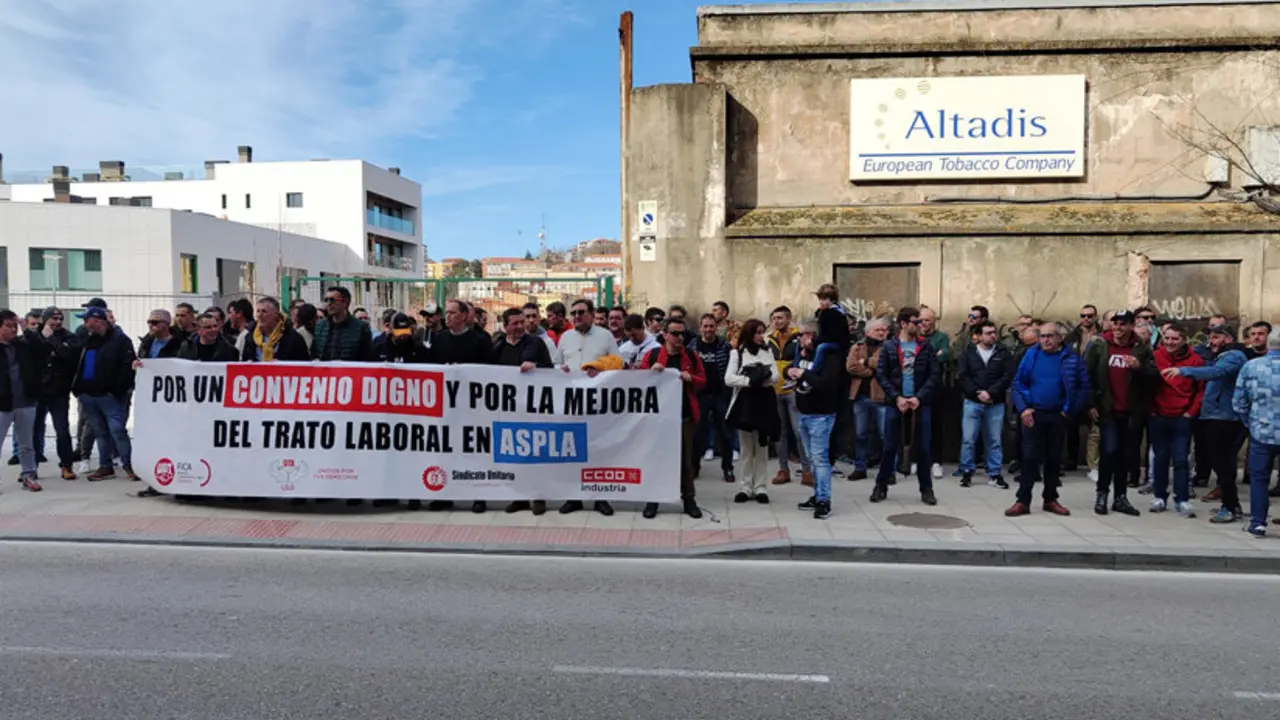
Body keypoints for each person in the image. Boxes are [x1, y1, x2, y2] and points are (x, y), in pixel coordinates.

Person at [1167, 322, 1248, 523]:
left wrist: (1183, 370)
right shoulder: (1221, 356)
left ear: (1228, 338)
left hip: (1225, 418)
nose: (1211, 341)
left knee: (1223, 465)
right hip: (1214, 416)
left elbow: (1215, 373)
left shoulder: (1235, 356)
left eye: (1216, 337)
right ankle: (1232, 504)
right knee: (1222, 465)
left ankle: (1230, 507)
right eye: (1210, 337)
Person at [1006, 322, 1088, 517]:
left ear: (1060, 338)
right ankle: (1022, 500)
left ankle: (1050, 499)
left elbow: (1082, 387)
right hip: (1033, 413)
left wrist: (1068, 411)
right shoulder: (1031, 355)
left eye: (1050, 336)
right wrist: (1024, 409)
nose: (1046, 340)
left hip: (1058, 414)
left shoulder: (1071, 358)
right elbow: (1018, 383)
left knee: (1053, 458)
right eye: (1042, 336)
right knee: (1029, 457)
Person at [555, 298, 621, 516]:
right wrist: (560, 369)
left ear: (592, 314)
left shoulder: (605, 336)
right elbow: (556, 363)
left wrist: (600, 369)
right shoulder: (566, 337)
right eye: (573, 312)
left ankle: (600, 497)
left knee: (598, 450)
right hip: (571, 402)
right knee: (572, 449)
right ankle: (573, 497)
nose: (576, 316)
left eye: (581, 312)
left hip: (597, 403)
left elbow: (617, 363)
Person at [1084, 310, 1153, 517]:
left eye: (1123, 324)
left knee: (1126, 454)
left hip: (1132, 410)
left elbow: (1153, 377)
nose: (1118, 328)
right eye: (1115, 323)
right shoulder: (1099, 345)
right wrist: (1090, 404)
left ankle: (1120, 497)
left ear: (1132, 325)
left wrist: (1139, 368)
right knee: (1109, 451)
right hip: (1107, 409)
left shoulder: (1141, 349)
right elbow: (1087, 375)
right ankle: (1102, 493)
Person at [638, 316, 705, 520]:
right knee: (656, 458)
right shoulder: (653, 355)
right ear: (665, 334)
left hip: (684, 417)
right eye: (675, 333)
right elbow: (638, 381)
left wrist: (690, 379)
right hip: (658, 419)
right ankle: (653, 499)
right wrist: (651, 372)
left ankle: (689, 499)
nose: (679, 337)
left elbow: (703, 381)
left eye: (682, 333)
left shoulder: (691, 356)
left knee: (686, 461)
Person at [871, 307, 940, 506]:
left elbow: (934, 374)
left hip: (920, 403)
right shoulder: (889, 347)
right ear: (903, 324)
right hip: (896, 403)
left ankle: (926, 489)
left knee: (924, 447)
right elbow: (882, 374)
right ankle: (881, 485)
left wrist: (919, 397)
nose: (919, 325)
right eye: (915, 322)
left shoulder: (925, 346)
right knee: (889, 446)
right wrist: (897, 397)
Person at [496, 307, 556, 516]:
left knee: (536, 452)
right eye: (515, 323)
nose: (521, 326)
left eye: (522, 322)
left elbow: (550, 370)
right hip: (509, 409)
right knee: (514, 454)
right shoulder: (498, 345)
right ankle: (519, 497)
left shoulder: (536, 343)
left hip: (533, 409)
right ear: (505, 327)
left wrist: (535, 366)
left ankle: (538, 497)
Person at [72, 306, 139, 482]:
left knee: (117, 430)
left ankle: (129, 465)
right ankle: (105, 466)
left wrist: (116, 390)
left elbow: (127, 367)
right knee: (100, 431)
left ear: (99, 321)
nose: (85, 324)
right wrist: (78, 389)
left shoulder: (120, 340)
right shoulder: (87, 340)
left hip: (110, 396)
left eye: (88, 321)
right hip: (88, 395)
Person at [1147, 323, 1204, 517]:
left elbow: (1200, 390)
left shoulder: (1195, 361)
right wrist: (1152, 410)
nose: (1170, 342)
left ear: (1184, 340)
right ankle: (1160, 496)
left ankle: (1182, 499)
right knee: (1160, 458)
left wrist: (1191, 412)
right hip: (1159, 415)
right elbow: (1147, 385)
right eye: (1167, 338)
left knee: (1181, 459)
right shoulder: (1155, 357)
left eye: (1175, 339)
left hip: (1182, 417)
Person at [789, 320, 842, 518]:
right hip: (803, 411)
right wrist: (792, 372)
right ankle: (817, 494)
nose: (798, 338)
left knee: (820, 459)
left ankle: (823, 499)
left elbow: (826, 383)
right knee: (812, 458)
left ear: (811, 335)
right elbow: (790, 367)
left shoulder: (829, 355)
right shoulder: (804, 354)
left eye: (801, 335)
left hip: (821, 414)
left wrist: (804, 374)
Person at [1232, 326, 1280, 537]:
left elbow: (1239, 402)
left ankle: (1258, 522)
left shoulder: (1251, 367)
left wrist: (1249, 422)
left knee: (1259, 478)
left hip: (1262, 430)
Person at [725, 319, 780, 503]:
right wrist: (750, 380)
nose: (760, 336)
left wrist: (763, 377)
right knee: (747, 448)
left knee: (762, 447)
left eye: (761, 332)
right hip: (746, 403)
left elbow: (776, 377)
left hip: (764, 402)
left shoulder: (768, 352)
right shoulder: (737, 353)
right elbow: (729, 379)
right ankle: (745, 486)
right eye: (756, 332)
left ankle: (761, 486)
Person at [955, 321, 1013, 489]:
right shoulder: (968, 353)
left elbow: (1007, 375)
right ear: (978, 336)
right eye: (988, 333)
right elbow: (962, 376)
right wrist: (977, 393)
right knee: (968, 439)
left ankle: (994, 473)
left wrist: (991, 393)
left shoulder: (1003, 352)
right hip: (972, 402)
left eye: (994, 332)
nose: (992, 335)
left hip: (995, 403)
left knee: (994, 440)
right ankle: (966, 471)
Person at [0, 309, 46, 491]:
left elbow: (43, 350)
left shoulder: (23, 344)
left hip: (26, 402)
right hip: (3, 405)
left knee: (26, 444)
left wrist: (26, 329)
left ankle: (29, 474)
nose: (13, 330)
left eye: (15, 326)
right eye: (8, 326)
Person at [845, 316, 890, 481]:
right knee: (860, 434)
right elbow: (851, 367)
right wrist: (870, 370)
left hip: (882, 397)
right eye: (878, 330)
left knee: (886, 436)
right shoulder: (857, 346)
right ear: (868, 331)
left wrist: (865, 362)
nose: (882, 333)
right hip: (860, 397)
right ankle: (860, 467)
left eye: (884, 330)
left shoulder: (890, 347)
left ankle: (888, 471)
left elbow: (885, 365)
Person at [311, 287, 373, 362]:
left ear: (345, 302)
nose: (329, 304)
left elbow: (367, 358)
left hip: (349, 372)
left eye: (332, 300)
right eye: (326, 300)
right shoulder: (320, 326)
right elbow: (314, 352)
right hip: (324, 372)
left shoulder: (361, 328)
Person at [242, 297, 310, 362]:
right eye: (258, 311)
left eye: (264, 311)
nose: (259, 315)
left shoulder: (294, 338)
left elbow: (303, 366)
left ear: (276, 314)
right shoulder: (250, 336)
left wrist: (281, 365)